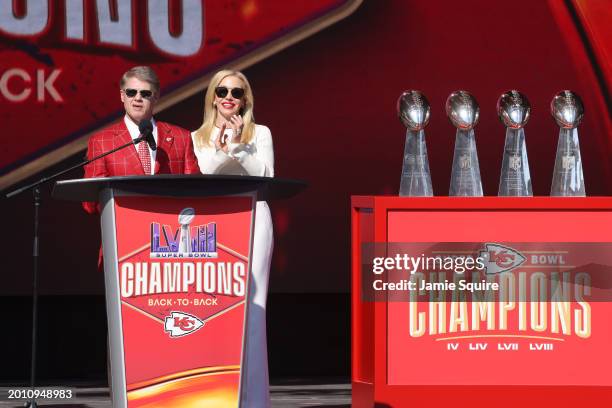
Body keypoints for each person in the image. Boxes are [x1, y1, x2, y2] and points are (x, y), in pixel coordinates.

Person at [192, 70, 274, 407]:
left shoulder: (261, 133)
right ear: (213, 96)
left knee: (253, 311)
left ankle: (253, 400)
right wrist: (221, 145)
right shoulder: (197, 136)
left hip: (255, 218)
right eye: (222, 90)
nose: (229, 97)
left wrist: (238, 146)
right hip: (215, 223)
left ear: (245, 99)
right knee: (215, 307)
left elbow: (265, 174)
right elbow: (207, 173)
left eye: (236, 93)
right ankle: (215, 396)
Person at [83, 65, 199, 213]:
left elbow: (196, 191)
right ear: (122, 96)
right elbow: (90, 203)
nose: (137, 98)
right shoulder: (101, 142)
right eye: (131, 92)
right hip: (124, 229)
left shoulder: (181, 137)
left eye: (145, 93)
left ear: (156, 96)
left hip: (170, 228)